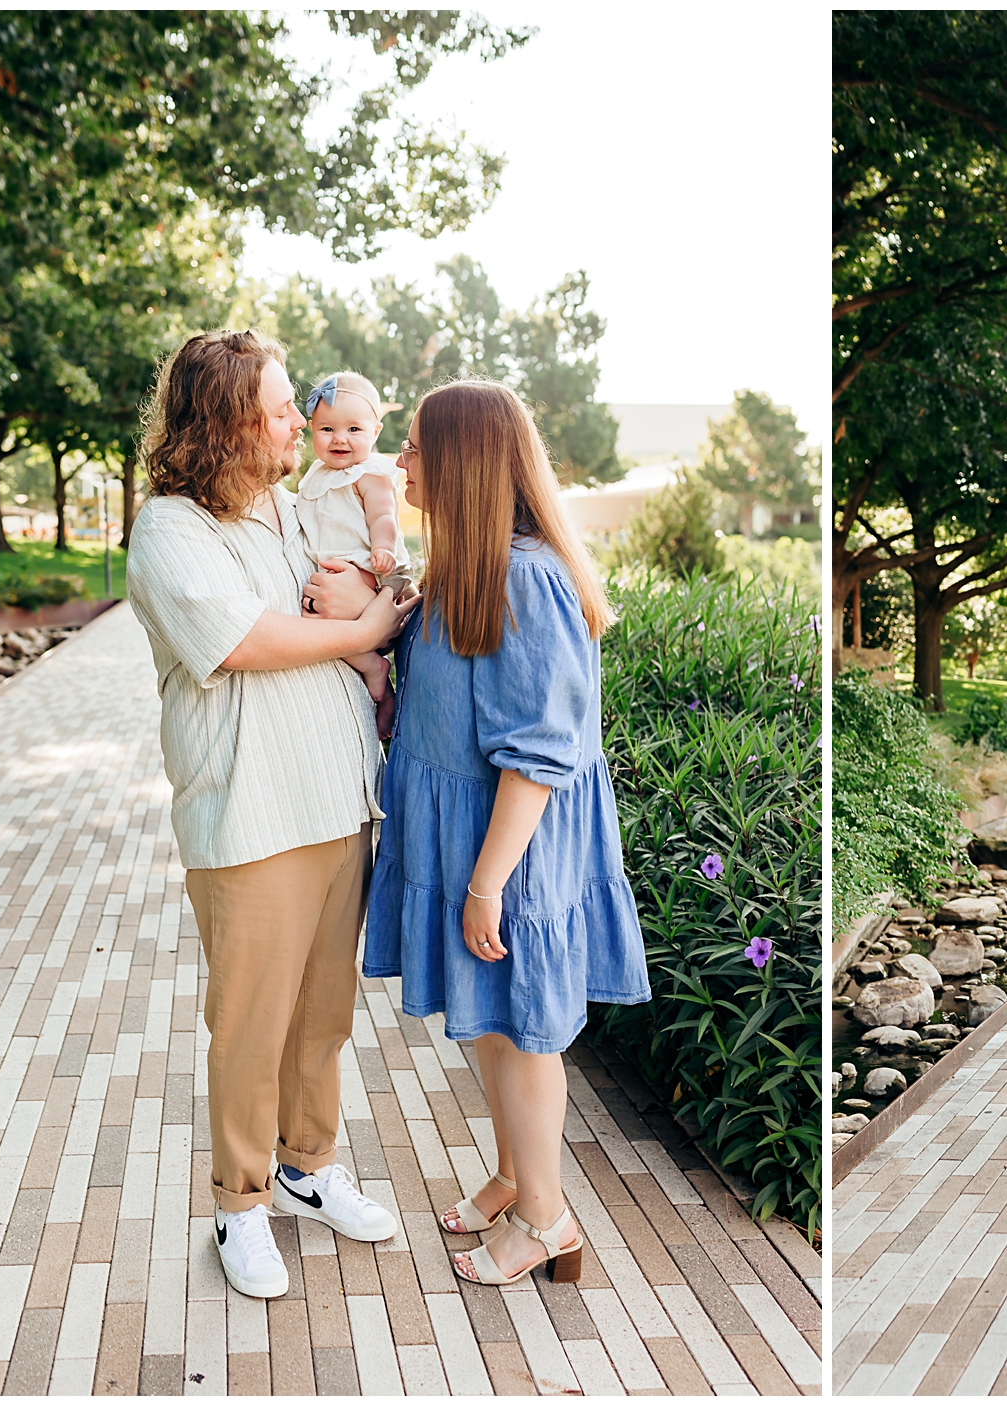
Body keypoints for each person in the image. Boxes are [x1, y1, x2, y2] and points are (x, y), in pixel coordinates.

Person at [127, 329, 419, 1300]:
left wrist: (375, 592)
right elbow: (243, 640)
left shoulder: (289, 512)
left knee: (322, 1016)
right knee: (250, 1023)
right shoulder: (171, 528)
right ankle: (240, 1203)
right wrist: (368, 628)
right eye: (285, 406)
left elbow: (371, 560)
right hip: (247, 814)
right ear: (226, 420)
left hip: (339, 799)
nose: (302, 419)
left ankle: (308, 1163)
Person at [363, 379, 651, 1287]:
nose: (397, 461)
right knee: (491, 1026)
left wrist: (487, 881)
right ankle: (513, 1174)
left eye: (412, 447)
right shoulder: (465, 569)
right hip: (471, 837)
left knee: (525, 1037)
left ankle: (547, 1219)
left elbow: (536, 757)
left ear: (463, 463)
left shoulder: (527, 579)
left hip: (511, 850)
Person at [295, 371, 413, 729]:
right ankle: (374, 676)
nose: (340, 439)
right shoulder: (315, 476)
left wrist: (383, 547)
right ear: (311, 429)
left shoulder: (370, 473)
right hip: (340, 571)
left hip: (373, 567)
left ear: (375, 432)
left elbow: (383, 517)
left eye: (354, 430)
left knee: (320, 621)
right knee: (315, 623)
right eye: (327, 429)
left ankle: (374, 666)